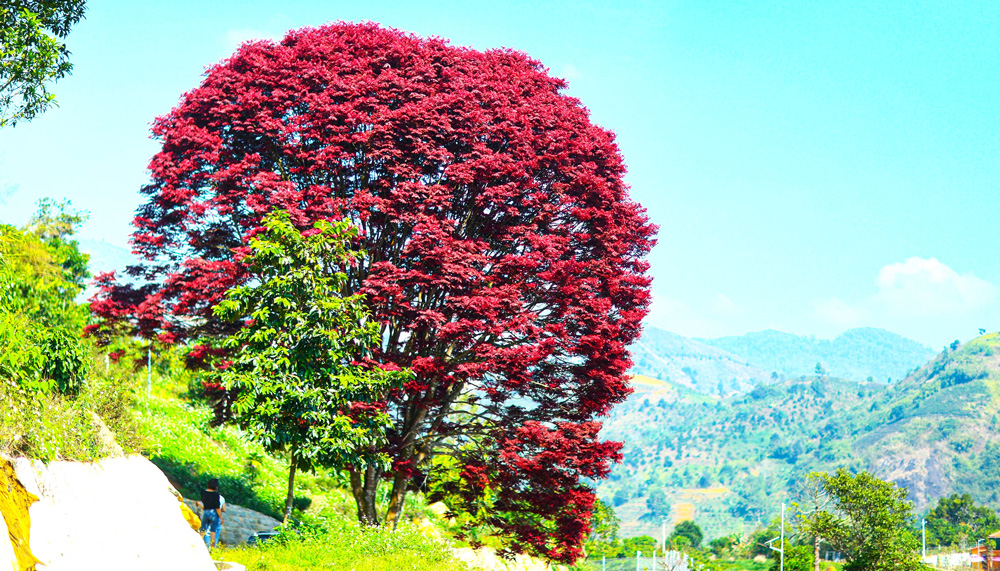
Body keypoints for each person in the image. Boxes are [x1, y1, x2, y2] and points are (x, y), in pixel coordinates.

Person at [196, 478, 224, 549]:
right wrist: (220, 517)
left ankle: (198, 545)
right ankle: (212, 548)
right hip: (214, 513)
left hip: (206, 512)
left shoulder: (203, 492)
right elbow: (217, 507)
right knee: (213, 531)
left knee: (203, 530)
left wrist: (199, 504)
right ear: (215, 486)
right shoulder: (216, 495)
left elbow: (205, 506)